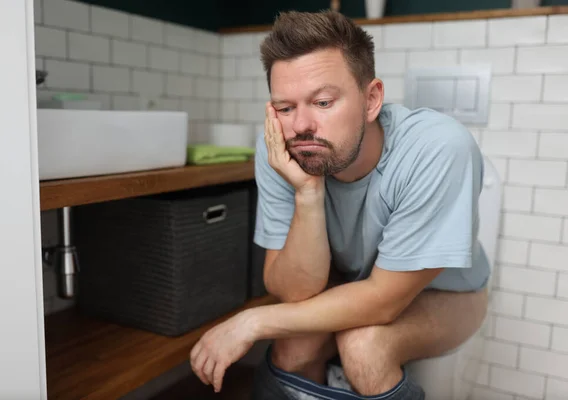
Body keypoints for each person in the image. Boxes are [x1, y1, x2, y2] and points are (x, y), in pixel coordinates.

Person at [189, 10, 489, 400]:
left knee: (364, 346)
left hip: (447, 294)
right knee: (293, 348)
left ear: (371, 99)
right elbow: (291, 290)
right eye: (284, 107)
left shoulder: (437, 149)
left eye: (324, 102)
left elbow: (383, 300)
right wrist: (307, 192)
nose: (301, 126)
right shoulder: (280, 149)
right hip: (345, 285)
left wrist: (251, 322)